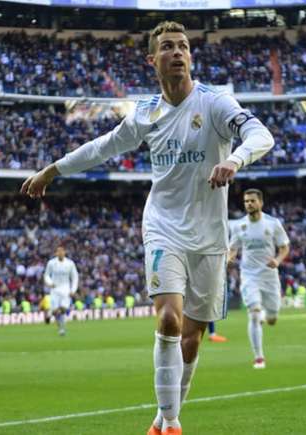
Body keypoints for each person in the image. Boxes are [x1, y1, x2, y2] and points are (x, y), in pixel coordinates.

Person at [20, 21, 274, 435]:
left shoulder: (215, 103)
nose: (178, 52)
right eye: (169, 47)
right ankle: (171, 423)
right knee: (169, 319)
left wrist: (235, 160)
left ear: (191, 56)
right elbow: (103, 146)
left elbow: (261, 134)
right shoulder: (146, 112)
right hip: (163, 227)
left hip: (210, 236)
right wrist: (53, 170)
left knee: (192, 337)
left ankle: (164, 415)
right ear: (152, 60)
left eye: (184, 47)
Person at [228, 189, 290, 369]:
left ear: (261, 203)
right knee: (253, 314)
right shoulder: (239, 226)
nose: (249, 204)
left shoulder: (273, 224)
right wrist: (231, 257)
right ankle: (259, 357)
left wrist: (277, 260)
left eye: (252, 201)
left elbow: (284, 247)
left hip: (269, 277)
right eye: (246, 201)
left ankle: (266, 315)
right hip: (249, 275)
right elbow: (233, 247)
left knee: (272, 319)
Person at [43, 245, 79, 336]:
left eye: (62, 251)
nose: (60, 253)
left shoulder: (70, 263)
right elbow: (46, 275)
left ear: (64, 252)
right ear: (56, 253)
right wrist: (50, 283)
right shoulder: (51, 263)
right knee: (57, 312)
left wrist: (73, 290)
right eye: (58, 251)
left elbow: (75, 277)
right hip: (54, 290)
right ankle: (61, 328)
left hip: (66, 290)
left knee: (63, 309)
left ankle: (50, 314)